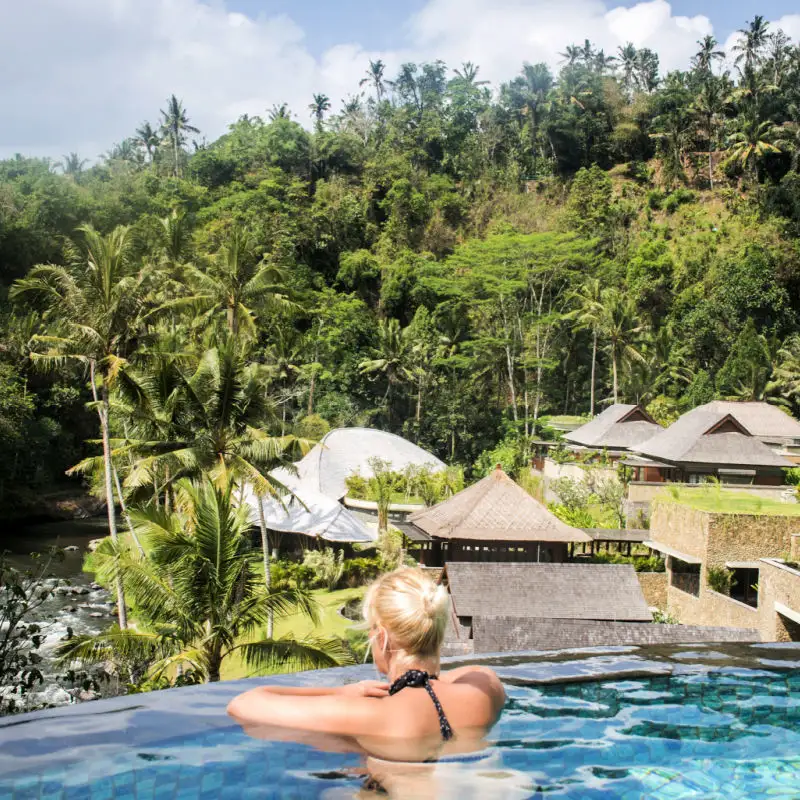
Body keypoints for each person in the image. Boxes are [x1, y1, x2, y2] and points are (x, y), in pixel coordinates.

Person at [227, 567, 506, 764]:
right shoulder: (484, 691)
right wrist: (424, 681)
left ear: (381, 637)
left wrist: (342, 694)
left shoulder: (366, 713)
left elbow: (244, 703)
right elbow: (470, 673)